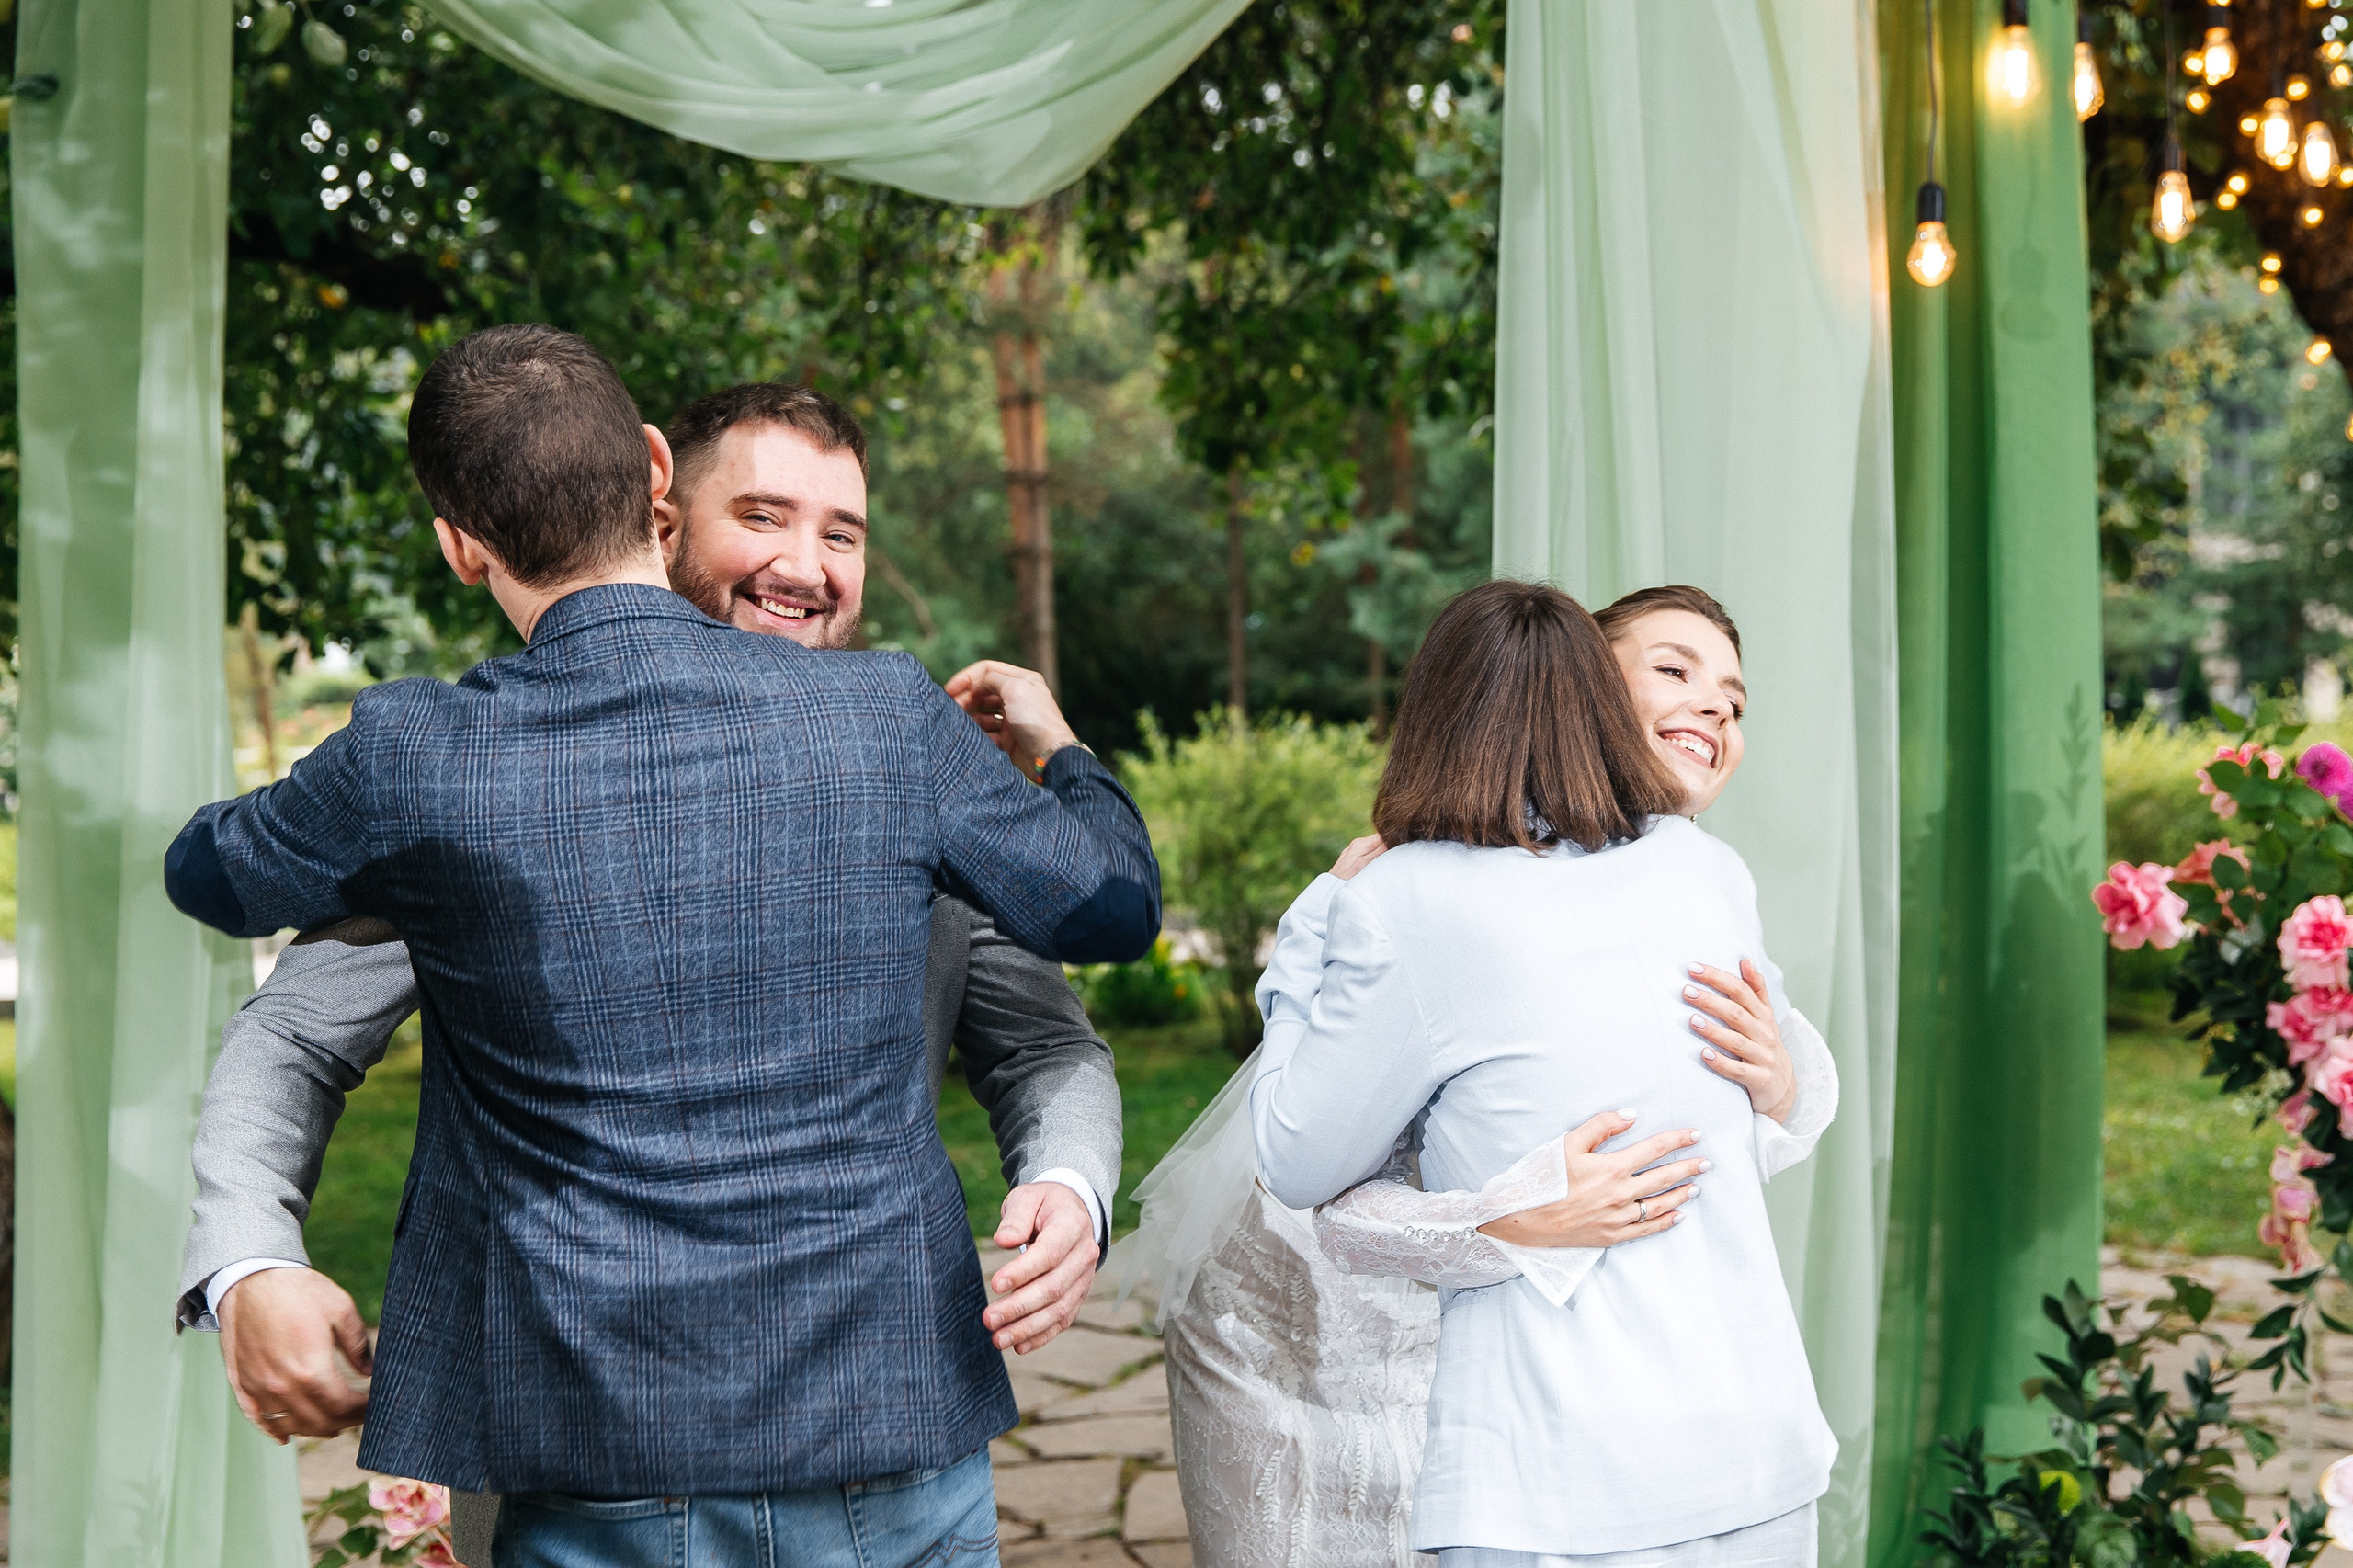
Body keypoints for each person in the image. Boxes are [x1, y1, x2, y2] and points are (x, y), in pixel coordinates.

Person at [163, 324, 1160, 1568]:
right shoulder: (898, 722)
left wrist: (1068, 1178)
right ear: (659, 486)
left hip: (723, 1434)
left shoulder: (424, 760)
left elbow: (1042, 1032)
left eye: (841, 532)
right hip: (722, 1442)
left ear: (460, 545)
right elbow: (295, 1033)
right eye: (765, 515)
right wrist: (249, 1253)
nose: (804, 563)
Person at [1112, 585, 1836, 1567]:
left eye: (1732, 698)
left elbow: (1295, 1165)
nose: (1713, 705)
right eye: (1673, 669)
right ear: (1594, 695)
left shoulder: (1407, 899)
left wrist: (1315, 926)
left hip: (1551, 1483)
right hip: (1757, 1450)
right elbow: (1744, 1132)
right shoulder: (1707, 872)